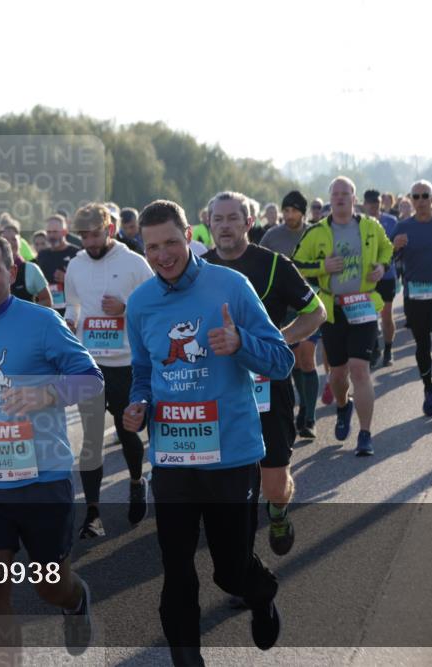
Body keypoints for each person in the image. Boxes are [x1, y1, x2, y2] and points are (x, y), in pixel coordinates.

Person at [123, 199, 290, 665]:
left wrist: (240, 344)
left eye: (172, 242)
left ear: (191, 238)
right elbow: (142, 371)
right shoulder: (139, 304)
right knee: (177, 571)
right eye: (152, 246)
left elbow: (280, 359)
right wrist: (138, 405)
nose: (163, 254)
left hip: (231, 458)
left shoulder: (231, 286)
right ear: (143, 247)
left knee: (230, 572)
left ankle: (260, 592)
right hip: (174, 458)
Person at [0, 234, 103, 659]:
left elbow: (92, 380)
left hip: (43, 479)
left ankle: (75, 599)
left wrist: (47, 393)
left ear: (11, 273)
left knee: (50, 585)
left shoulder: (43, 322)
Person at [204, 191, 326, 556]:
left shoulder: (274, 265)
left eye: (232, 218)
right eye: (218, 219)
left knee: (273, 483)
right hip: (219, 388)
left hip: (268, 387)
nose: (225, 226)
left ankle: (278, 511)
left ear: (248, 222)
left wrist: (278, 342)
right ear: (208, 224)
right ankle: (243, 568)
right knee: (229, 489)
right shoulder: (199, 268)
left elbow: (316, 313)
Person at [64, 203, 154, 538]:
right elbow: (72, 302)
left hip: (127, 364)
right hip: (91, 364)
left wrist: (126, 307)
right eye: (83, 236)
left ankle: (135, 480)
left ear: (110, 230)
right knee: (90, 439)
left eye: (94, 234)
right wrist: (71, 321)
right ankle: (93, 513)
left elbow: (155, 303)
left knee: (127, 430)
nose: (89, 241)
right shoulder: (76, 264)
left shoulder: (134, 263)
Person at [293, 176, 393, 455]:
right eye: (335, 194)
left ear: (354, 197)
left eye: (345, 193)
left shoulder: (371, 226)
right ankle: (342, 405)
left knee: (360, 369)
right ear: (330, 199)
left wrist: (382, 267)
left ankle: (365, 435)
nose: (340, 198)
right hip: (333, 310)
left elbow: (387, 249)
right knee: (337, 375)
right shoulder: (316, 231)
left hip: (363, 306)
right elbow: (296, 265)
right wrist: (321, 266)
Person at [390, 181, 432, 420]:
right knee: (422, 346)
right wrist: (393, 246)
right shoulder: (402, 227)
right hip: (415, 296)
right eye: (416, 196)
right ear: (411, 199)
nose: (420, 200)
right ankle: (428, 388)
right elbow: (388, 258)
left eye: (425, 196)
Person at [260, 192, 321, 438]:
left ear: (302, 212)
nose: (288, 215)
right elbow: (258, 264)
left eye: (293, 210)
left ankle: (309, 416)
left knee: (307, 358)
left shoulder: (315, 233)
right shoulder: (272, 236)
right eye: (285, 210)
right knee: (293, 359)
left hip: (309, 304)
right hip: (282, 308)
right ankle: (301, 405)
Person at [364, 189, 400, 367]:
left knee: (386, 314)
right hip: (366, 277)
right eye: (370, 202)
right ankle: (374, 348)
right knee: (369, 315)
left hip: (386, 275)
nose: (374, 205)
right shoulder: (359, 223)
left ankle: (388, 349)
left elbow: (395, 247)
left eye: (376, 202)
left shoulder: (391, 221)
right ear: (364, 204)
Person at [0, 215, 53, 307]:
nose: (10, 243)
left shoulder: (31, 269)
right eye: (5, 239)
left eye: (14, 239)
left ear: (20, 242)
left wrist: (25, 311)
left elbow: (47, 301)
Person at [36, 214, 80, 316]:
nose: (51, 236)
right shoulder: (42, 255)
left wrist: (67, 279)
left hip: (70, 312)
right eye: (49, 232)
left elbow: (86, 284)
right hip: (47, 312)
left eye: (55, 232)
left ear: (65, 232)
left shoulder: (76, 253)